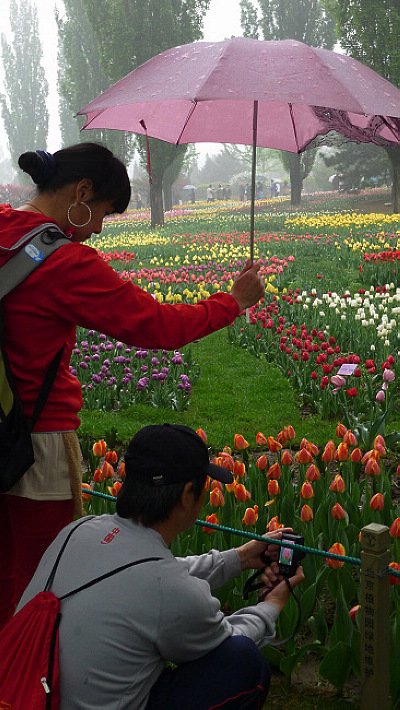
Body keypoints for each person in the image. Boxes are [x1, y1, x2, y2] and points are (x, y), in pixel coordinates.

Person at [0, 143, 265, 628]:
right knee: (39, 583)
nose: (98, 228)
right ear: (81, 192)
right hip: (36, 446)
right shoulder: (64, 263)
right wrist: (232, 301)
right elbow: (157, 326)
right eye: (101, 212)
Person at [17, 423, 305, 710]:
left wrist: (240, 558)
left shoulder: (80, 529)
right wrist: (271, 605)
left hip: (25, 693)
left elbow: (146, 577)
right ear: (186, 496)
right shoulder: (168, 589)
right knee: (244, 661)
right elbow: (227, 641)